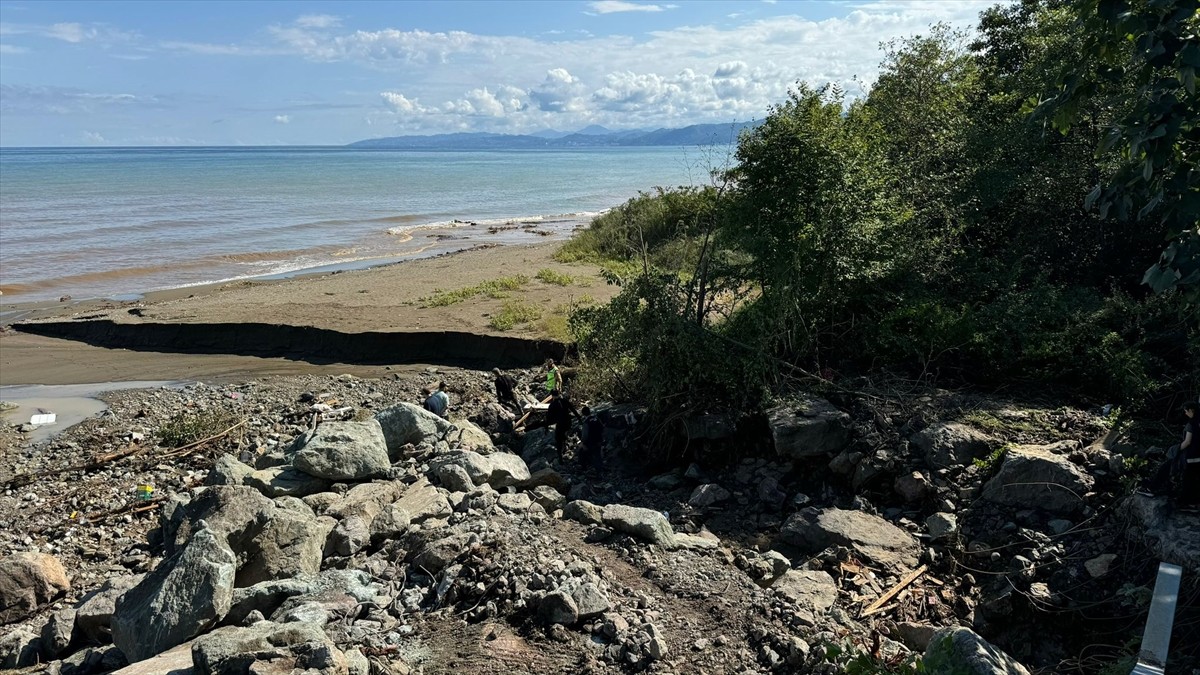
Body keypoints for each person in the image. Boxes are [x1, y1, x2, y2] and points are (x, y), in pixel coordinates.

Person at [1141, 401, 1198, 502]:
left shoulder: (1192, 424)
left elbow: (1187, 442)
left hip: (1190, 455)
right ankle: (1189, 502)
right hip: (1197, 456)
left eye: (1186, 411)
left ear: (1191, 410)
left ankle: (1152, 488)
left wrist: (1175, 449)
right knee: (1190, 479)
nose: (1185, 413)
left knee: (1167, 467)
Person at [546, 389, 581, 461]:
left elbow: (548, 417)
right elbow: (573, 409)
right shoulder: (565, 401)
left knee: (558, 439)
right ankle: (566, 446)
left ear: (552, 396)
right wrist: (579, 418)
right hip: (568, 423)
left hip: (560, 424)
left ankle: (560, 458)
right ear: (559, 394)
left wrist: (546, 427)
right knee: (564, 435)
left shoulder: (552, 405)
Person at [580, 405, 605, 470]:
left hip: (591, 442)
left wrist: (583, 443)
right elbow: (602, 428)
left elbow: (585, 435)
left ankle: (587, 467)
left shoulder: (586, 422)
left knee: (584, 453)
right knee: (598, 454)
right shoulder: (596, 419)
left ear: (583, 414)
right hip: (599, 439)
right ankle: (600, 468)